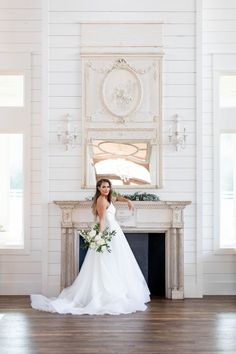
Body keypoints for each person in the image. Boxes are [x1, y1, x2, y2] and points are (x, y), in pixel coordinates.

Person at [31, 178, 150, 315]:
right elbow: (102, 219)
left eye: (108, 187)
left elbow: (117, 198)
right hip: (107, 232)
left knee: (116, 261)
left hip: (115, 232)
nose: (106, 189)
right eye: (103, 187)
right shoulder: (101, 200)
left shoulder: (109, 198)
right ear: (98, 188)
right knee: (104, 262)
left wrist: (128, 200)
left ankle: (118, 290)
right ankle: (105, 293)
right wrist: (100, 236)